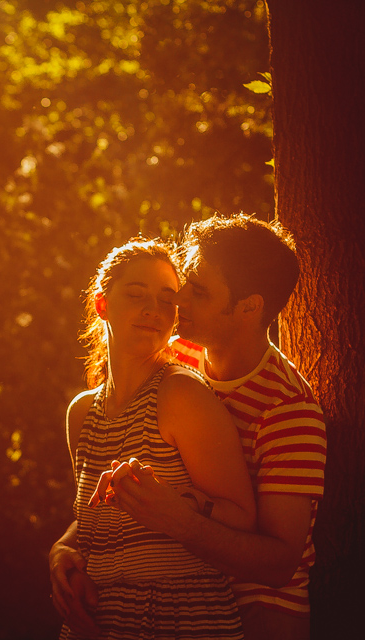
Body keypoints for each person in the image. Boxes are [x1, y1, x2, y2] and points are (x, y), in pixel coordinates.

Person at [89, 215, 326, 640]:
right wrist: (66, 547)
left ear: (249, 307)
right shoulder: (176, 358)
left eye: (198, 292)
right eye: (186, 282)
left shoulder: (289, 410)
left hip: (261, 618)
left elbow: (279, 564)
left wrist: (179, 520)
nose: (177, 299)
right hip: (175, 611)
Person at [50, 237, 256, 640]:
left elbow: (243, 517)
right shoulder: (81, 414)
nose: (153, 310)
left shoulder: (181, 395)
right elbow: (97, 518)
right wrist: (61, 550)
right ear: (101, 304)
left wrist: (177, 503)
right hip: (96, 625)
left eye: (166, 300)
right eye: (136, 294)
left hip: (182, 622)